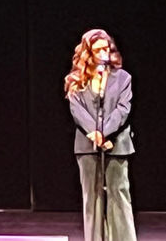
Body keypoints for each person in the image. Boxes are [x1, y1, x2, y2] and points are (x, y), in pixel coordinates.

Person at [65, 29, 136, 241]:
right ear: (88, 53)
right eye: (98, 50)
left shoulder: (123, 78)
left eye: (106, 48)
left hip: (117, 144)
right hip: (87, 146)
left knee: (119, 196)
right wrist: (94, 134)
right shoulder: (76, 80)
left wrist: (104, 133)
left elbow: (123, 109)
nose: (104, 53)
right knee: (92, 200)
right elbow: (76, 110)